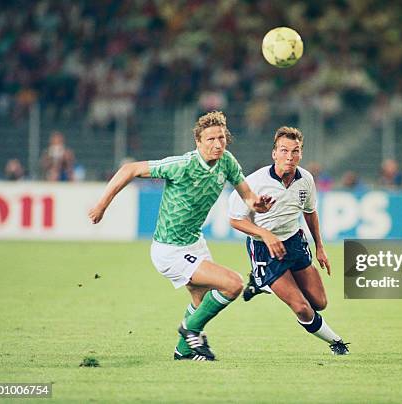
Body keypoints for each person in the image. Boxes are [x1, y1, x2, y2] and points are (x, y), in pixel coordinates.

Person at [88, 111, 273, 361]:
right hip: (169, 250)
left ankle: (183, 352)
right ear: (198, 142)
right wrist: (102, 205)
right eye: (210, 139)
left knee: (202, 300)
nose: (217, 144)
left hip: (194, 242)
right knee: (233, 284)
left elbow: (248, 196)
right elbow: (130, 169)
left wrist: (257, 204)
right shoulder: (183, 165)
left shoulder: (227, 161)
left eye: (221, 138)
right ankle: (190, 330)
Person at [227, 126, 349, 355]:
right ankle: (337, 342)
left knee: (319, 303)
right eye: (284, 150)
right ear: (274, 153)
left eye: (295, 151)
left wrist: (320, 247)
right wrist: (265, 234)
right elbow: (234, 220)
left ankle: (260, 282)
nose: (289, 156)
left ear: (301, 154)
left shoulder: (306, 180)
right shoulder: (254, 182)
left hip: (294, 242)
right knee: (302, 307)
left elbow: (310, 212)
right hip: (265, 249)